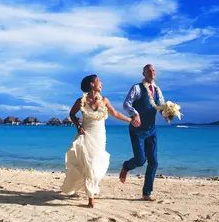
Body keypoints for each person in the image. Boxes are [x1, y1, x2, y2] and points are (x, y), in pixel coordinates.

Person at [62, 74, 132, 208]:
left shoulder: (104, 100)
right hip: (87, 135)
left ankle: (91, 188)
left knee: (97, 165)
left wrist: (130, 120)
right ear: (92, 84)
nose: (102, 84)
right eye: (99, 81)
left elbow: (115, 114)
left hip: (100, 137)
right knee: (89, 165)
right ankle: (91, 198)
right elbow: (72, 114)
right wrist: (78, 126)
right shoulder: (81, 101)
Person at [119, 64, 164, 201]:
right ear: (143, 73)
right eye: (149, 70)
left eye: (153, 70)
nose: (152, 72)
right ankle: (126, 166)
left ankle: (147, 193)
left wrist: (168, 113)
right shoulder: (137, 88)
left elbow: (160, 107)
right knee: (140, 160)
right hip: (137, 130)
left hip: (151, 130)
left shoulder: (157, 90)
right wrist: (135, 114)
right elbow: (127, 104)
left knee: (154, 162)